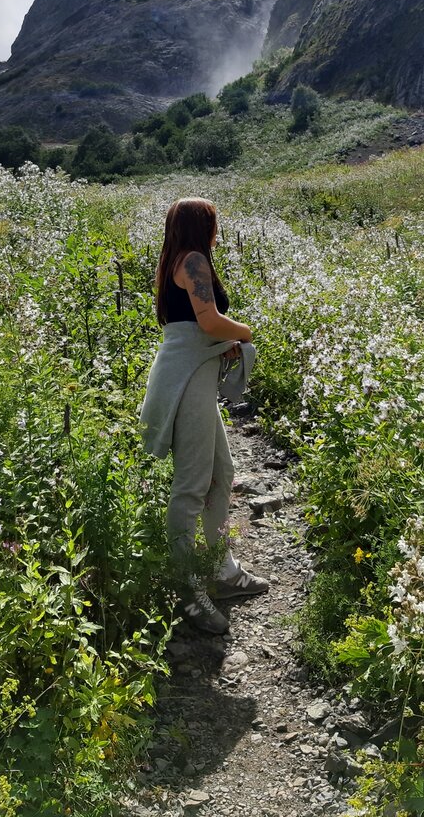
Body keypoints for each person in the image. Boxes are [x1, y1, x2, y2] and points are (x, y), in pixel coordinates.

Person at [140, 196, 269, 635]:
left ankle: (222, 569)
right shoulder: (193, 260)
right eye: (214, 222)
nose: (218, 230)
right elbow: (210, 322)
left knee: (222, 472)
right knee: (192, 485)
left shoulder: (177, 259)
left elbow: (194, 329)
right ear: (201, 226)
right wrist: (245, 332)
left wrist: (220, 342)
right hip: (188, 381)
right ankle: (186, 588)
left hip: (191, 372)